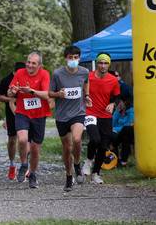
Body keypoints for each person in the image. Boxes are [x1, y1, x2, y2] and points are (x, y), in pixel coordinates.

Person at [48, 46, 91, 191]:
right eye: (70, 57)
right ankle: (68, 175)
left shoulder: (84, 72)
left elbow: (86, 83)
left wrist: (86, 96)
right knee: (67, 148)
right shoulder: (57, 74)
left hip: (78, 112)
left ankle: (77, 164)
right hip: (61, 116)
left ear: (79, 58)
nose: (73, 60)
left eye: (76, 57)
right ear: (65, 58)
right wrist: (58, 95)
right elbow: (50, 93)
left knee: (77, 139)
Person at [7, 52, 51, 188]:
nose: (29, 65)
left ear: (39, 65)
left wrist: (31, 91)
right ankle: (24, 164)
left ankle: (32, 174)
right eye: (28, 62)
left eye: (33, 63)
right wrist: (13, 91)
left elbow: (46, 94)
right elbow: (9, 93)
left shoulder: (44, 74)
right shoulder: (20, 73)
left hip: (39, 114)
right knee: (22, 139)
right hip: (22, 113)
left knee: (35, 149)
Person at [82, 53, 120, 184]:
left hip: (105, 115)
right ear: (96, 63)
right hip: (90, 112)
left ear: (109, 64)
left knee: (104, 146)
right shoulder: (88, 77)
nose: (103, 66)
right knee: (95, 139)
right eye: (100, 63)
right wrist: (85, 97)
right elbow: (81, 90)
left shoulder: (113, 80)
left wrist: (112, 103)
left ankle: (96, 174)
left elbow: (116, 96)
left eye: (105, 63)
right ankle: (88, 161)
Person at [0, 62, 26, 180]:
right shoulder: (6, 80)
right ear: (15, 72)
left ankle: (24, 165)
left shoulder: (27, 78)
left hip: (26, 113)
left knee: (24, 140)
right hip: (11, 114)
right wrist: (11, 99)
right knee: (12, 139)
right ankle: (12, 164)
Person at [110, 97, 134, 166]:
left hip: (128, 133)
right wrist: (117, 111)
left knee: (125, 133)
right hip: (117, 134)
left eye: (121, 102)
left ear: (126, 102)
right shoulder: (118, 111)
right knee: (112, 135)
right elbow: (112, 124)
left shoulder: (131, 111)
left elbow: (128, 125)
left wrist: (115, 129)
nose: (119, 104)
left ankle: (123, 160)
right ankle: (115, 160)